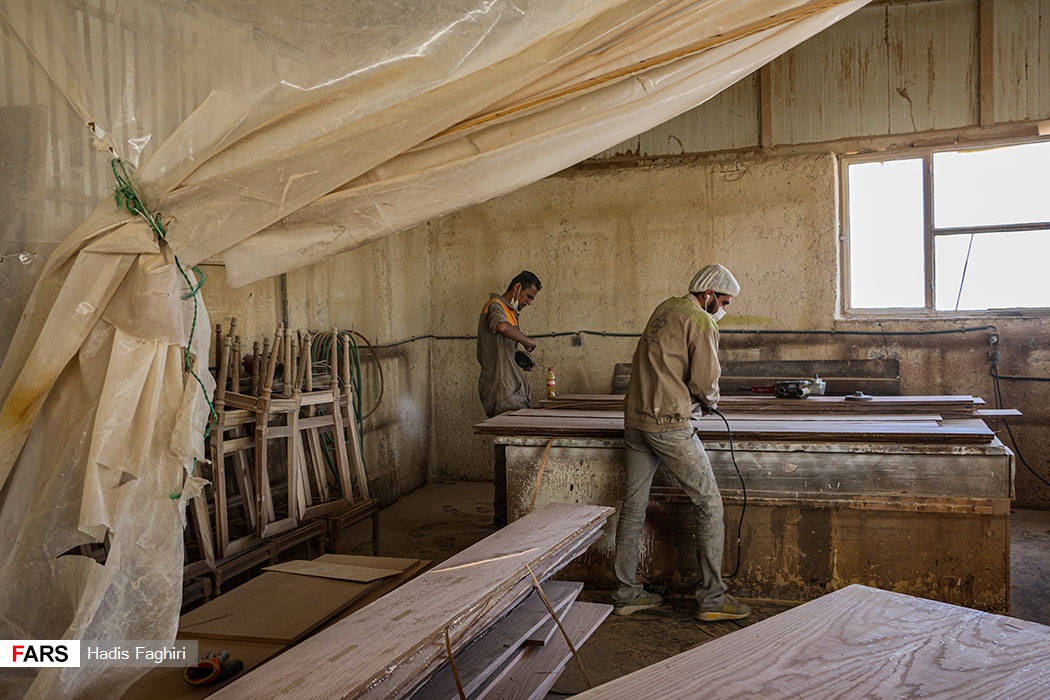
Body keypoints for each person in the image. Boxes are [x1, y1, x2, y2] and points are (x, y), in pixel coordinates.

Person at [612, 263, 750, 622]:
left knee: (633, 507)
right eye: (723, 301)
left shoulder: (665, 309)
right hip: (669, 423)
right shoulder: (701, 321)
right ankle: (713, 599)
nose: (724, 309)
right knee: (709, 504)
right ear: (707, 294)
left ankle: (626, 594)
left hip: (636, 419)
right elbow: (705, 382)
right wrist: (709, 402)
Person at [477, 270, 542, 525]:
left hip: (511, 388)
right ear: (516, 288)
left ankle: (508, 514)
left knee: (513, 454)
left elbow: (503, 348)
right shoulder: (495, 307)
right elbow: (500, 327)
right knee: (507, 455)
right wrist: (527, 341)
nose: (528, 302)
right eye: (528, 296)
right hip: (502, 391)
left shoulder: (511, 313)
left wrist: (519, 361)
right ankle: (504, 518)